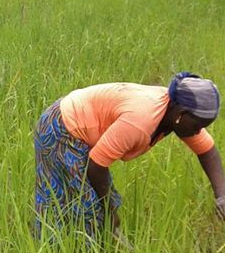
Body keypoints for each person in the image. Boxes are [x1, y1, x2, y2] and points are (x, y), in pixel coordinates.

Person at [34, 72, 225, 242]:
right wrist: (110, 213)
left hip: (78, 125)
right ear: (181, 115)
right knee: (84, 208)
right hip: (62, 128)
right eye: (197, 126)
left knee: (88, 206)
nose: (198, 132)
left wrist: (222, 196)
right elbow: (96, 166)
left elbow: (207, 152)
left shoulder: (175, 112)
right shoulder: (141, 121)